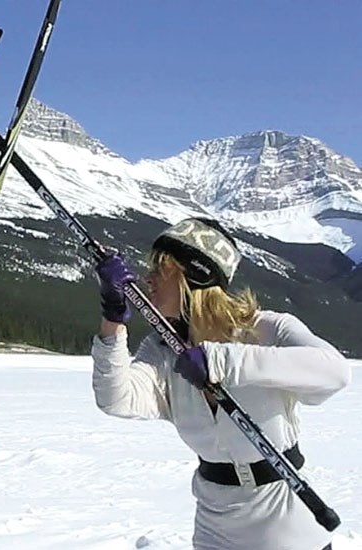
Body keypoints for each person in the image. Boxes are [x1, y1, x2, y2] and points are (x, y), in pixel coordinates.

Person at [91, 217, 350, 550]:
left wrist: (221, 361)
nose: (148, 279)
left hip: (288, 529)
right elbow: (116, 398)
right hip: (215, 528)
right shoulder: (161, 350)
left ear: (194, 277)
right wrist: (112, 320)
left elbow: (334, 372)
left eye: (161, 269)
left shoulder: (268, 330)